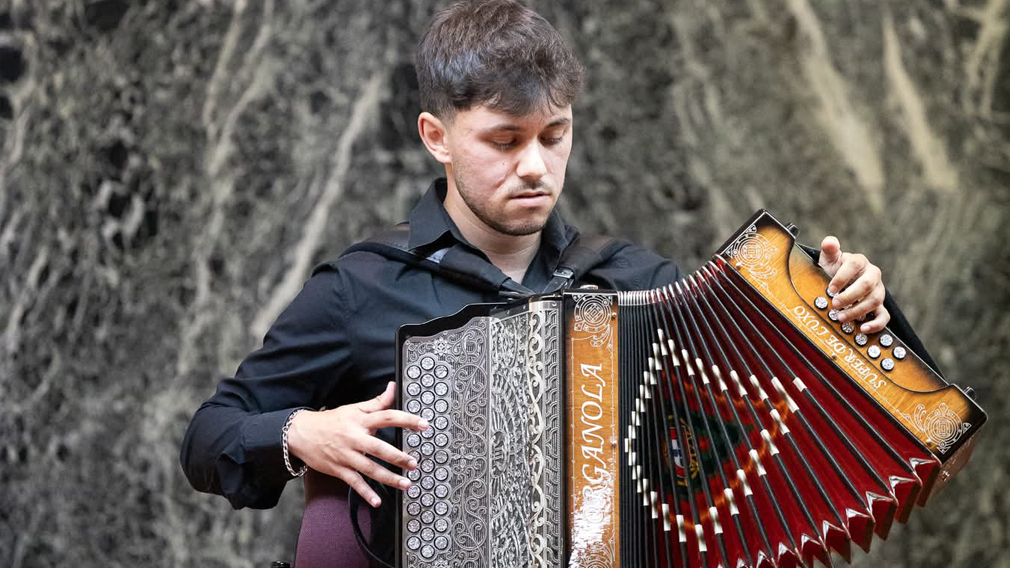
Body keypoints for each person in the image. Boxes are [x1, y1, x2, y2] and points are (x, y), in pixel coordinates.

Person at [180, 0, 899, 561]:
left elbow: (775, 409)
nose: (535, 165)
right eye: (505, 139)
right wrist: (302, 432)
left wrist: (857, 309)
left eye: (554, 136)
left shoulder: (636, 283)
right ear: (438, 137)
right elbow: (210, 438)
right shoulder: (360, 289)